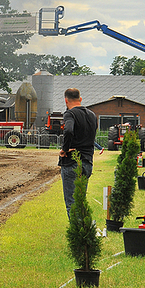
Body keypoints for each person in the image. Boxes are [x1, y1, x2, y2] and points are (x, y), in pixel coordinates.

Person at [59, 88, 98, 218]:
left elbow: (69, 130)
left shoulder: (70, 114)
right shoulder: (92, 115)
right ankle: (84, 231)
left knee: (72, 204)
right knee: (81, 201)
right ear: (80, 99)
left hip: (72, 162)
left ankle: (76, 235)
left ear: (66, 100)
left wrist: (65, 149)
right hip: (87, 162)